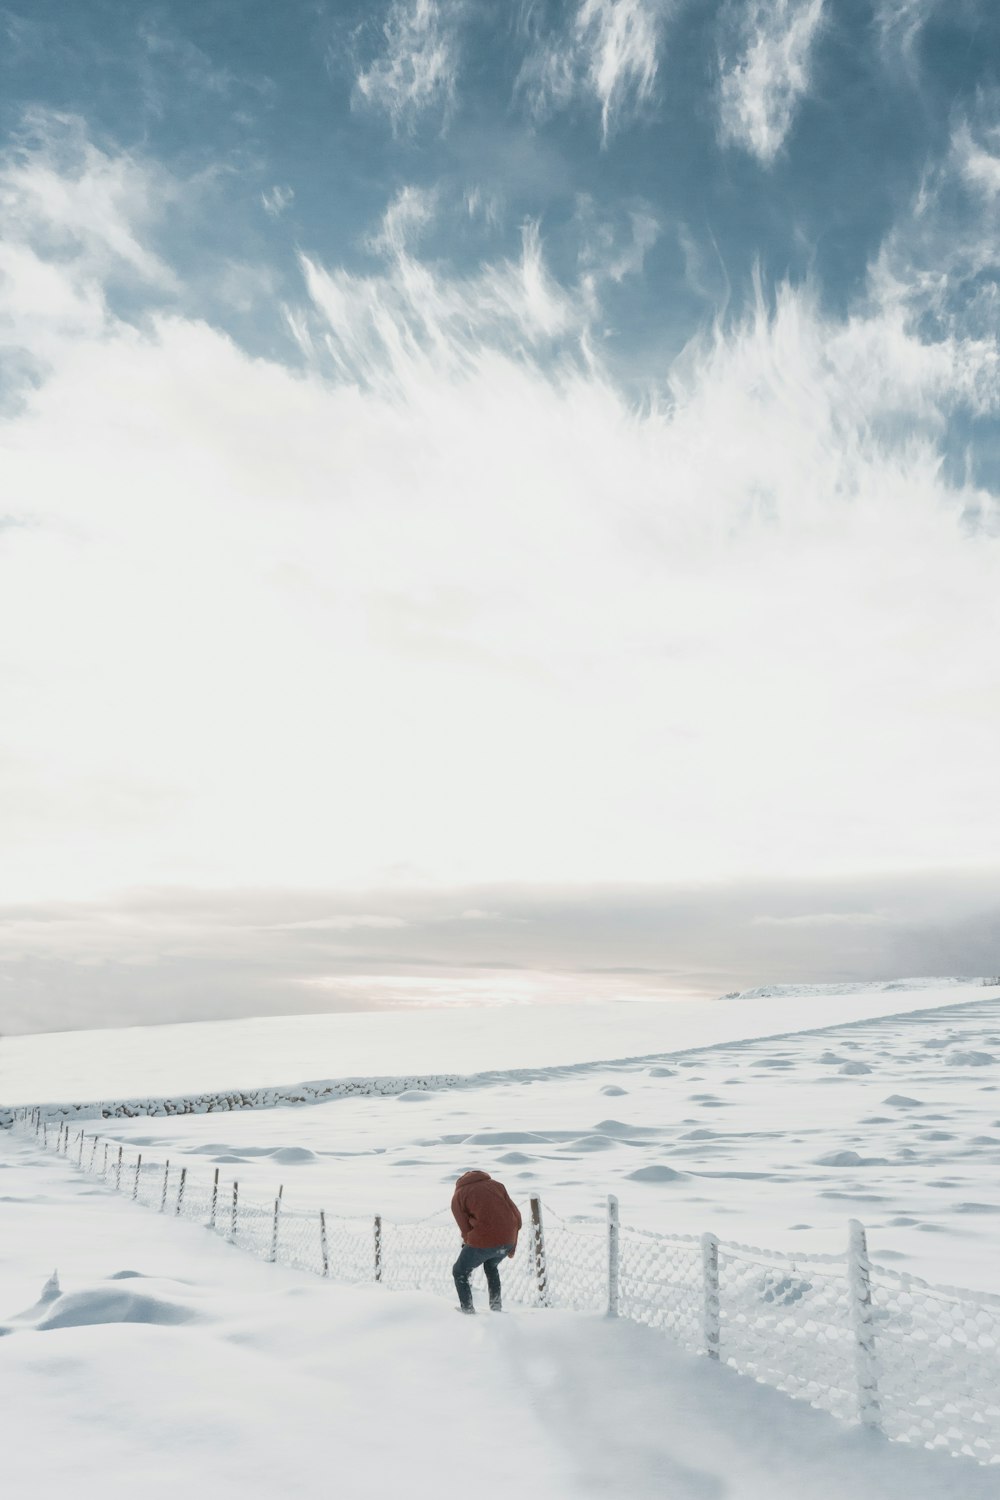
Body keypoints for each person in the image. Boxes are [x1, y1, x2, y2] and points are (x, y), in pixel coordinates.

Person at [450, 1169, 522, 1314]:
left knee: (459, 1271)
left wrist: (469, 1241)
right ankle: (496, 1308)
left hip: (483, 1241)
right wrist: (511, 1240)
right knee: (491, 1266)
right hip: (507, 1240)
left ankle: (467, 1311)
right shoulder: (497, 1185)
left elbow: (464, 1228)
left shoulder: (459, 1195)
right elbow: (516, 1215)